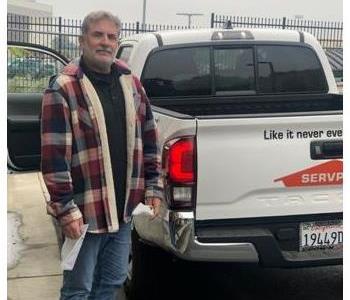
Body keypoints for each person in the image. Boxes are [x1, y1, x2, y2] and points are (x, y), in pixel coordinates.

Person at [41, 10, 164, 300]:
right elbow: (54, 156)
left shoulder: (130, 83)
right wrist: (64, 208)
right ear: (82, 40)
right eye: (98, 35)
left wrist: (153, 184)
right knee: (77, 290)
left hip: (123, 211)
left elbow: (149, 136)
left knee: (112, 282)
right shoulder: (63, 87)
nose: (105, 42)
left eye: (111, 36)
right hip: (85, 213)